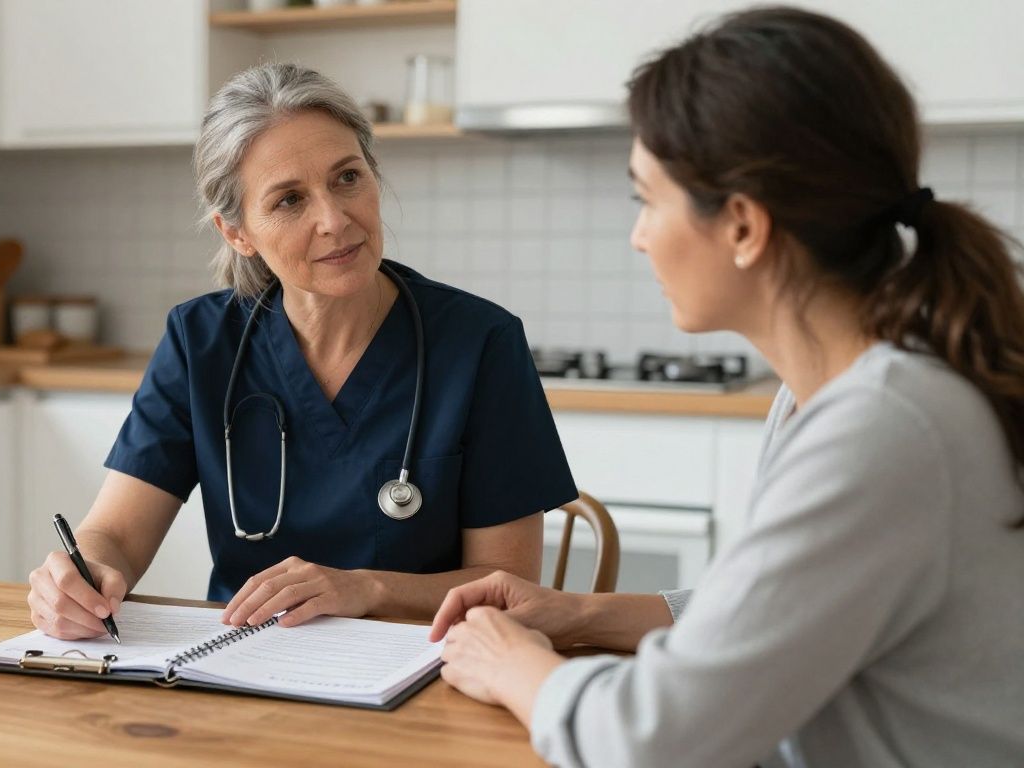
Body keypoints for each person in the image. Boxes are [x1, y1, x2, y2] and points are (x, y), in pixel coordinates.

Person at [429, 7, 1024, 767]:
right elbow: (766, 616)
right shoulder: (829, 393)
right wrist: (583, 612)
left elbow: (656, 739)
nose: (638, 235)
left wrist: (516, 668)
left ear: (743, 226)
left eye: (647, 198)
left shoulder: (885, 426)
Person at [26, 63, 577, 638]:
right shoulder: (200, 342)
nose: (335, 220)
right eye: (289, 200)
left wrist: (367, 587)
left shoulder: (480, 343)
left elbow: (510, 584)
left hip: (429, 674)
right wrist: (80, 575)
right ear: (237, 232)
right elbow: (113, 535)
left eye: (347, 178)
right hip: (242, 667)